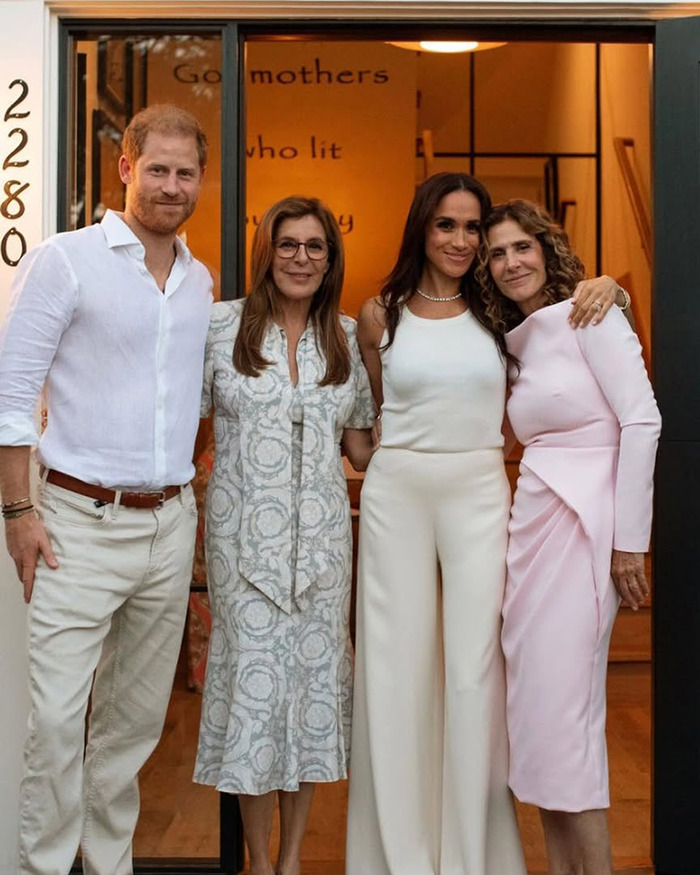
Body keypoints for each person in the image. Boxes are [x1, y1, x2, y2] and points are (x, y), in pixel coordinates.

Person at [346, 172, 626, 875]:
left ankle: (476, 855)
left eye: (474, 228)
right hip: (396, 491)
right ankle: (396, 857)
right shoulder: (380, 314)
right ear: (422, 228)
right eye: (448, 225)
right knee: (394, 666)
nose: (463, 241)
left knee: (476, 671)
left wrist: (611, 286)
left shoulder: (499, 311)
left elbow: (567, 324)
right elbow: (374, 415)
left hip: (479, 490)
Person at [0, 104, 213, 874]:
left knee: (129, 725)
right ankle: (44, 867)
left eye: (185, 172)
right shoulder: (66, 259)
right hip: (75, 523)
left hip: (168, 524)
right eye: (156, 169)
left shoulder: (199, 280)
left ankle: (108, 863)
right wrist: (19, 511)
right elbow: (10, 392)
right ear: (124, 169)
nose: (171, 185)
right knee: (57, 719)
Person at [193, 195, 375, 875]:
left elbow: (359, 448)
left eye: (315, 246)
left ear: (331, 259)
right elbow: (182, 423)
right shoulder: (219, 329)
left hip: (325, 550)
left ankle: (293, 859)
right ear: (267, 250)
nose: (302, 257)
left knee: (310, 698)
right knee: (254, 695)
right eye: (289, 243)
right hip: (244, 549)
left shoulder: (348, 337)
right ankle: (259, 862)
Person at [478, 199, 660, 875]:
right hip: (530, 533)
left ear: (546, 249)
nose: (509, 263)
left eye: (521, 247)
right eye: (496, 253)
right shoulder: (514, 339)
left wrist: (630, 542)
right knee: (537, 730)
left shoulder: (595, 312)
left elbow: (642, 423)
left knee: (568, 725)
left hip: (586, 531)